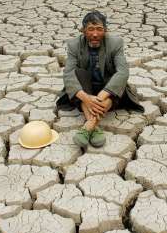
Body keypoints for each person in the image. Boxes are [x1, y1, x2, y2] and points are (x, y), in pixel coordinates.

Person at [56, 10, 144, 148]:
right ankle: (94, 127)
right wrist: (86, 98)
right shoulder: (74, 45)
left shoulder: (115, 43)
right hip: (86, 87)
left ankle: (89, 126)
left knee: (116, 83)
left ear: (106, 30)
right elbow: (68, 74)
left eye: (99, 29)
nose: (95, 34)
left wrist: (99, 97)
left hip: (108, 89)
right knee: (78, 73)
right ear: (83, 31)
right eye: (90, 29)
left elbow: (123, 72)